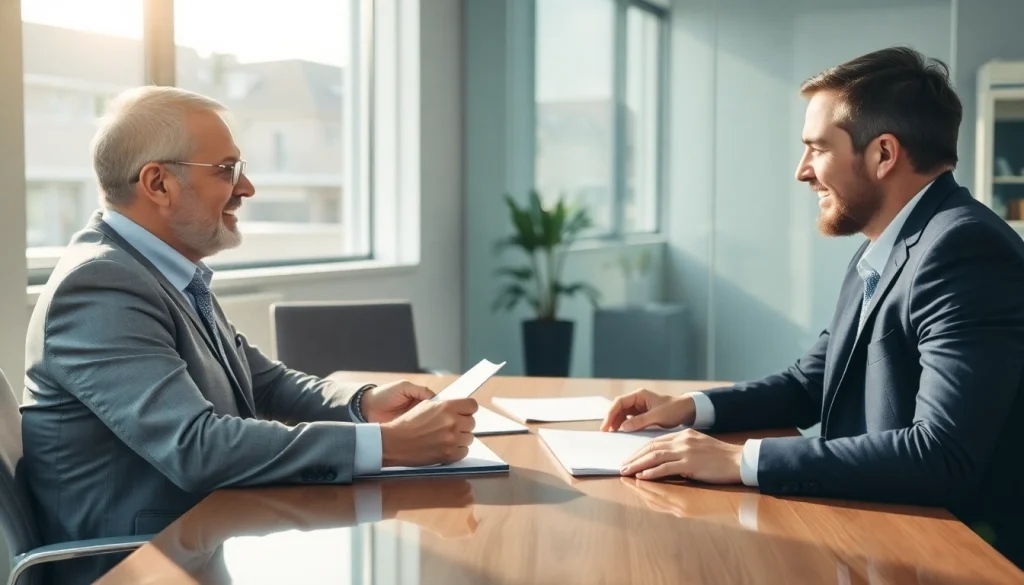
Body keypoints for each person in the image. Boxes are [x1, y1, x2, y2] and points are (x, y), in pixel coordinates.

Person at [21, 85, 477, 583]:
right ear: (158, 183)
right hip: (138, 564)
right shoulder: (100, 286)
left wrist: (364, 404)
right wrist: (387, 445)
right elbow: (196, 446)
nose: (247, 188)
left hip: (203, 536)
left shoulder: (164, 272)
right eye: (226, 170)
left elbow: (264, 384)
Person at [602, 46, 1024, 567]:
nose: (803, 171)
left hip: (951, 554)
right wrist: (689, 407)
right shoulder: (889, 245)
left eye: (817, 149)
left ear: (883, 154)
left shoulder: (963, 250)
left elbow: (941, 454)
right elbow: (810, 382)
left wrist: (742, 459)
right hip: (873, 531)